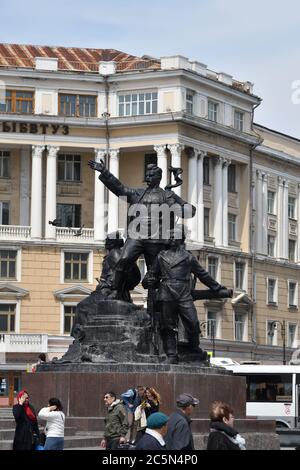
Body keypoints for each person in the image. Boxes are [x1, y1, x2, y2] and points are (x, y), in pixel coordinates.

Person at [88, 160, 196, 296]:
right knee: (123, 259)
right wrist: (104, 172)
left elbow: (190, 211)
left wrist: (176, 204)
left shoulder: (167, 195)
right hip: (137, 236)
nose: (148, 178)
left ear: (158, 178)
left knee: (154, 273)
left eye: (151, 176)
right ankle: (115, 290)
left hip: (156, 238)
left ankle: (155, 303)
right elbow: (119, 188)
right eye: (147, 175)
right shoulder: (138, 193)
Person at [144, 225, 227, 363]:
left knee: (193, 322)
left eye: (174, 236)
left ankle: (193, 348)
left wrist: (216, 287)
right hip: (166, 292)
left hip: (183, 293)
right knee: (167, 325)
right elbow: (151, 275)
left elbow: (203, 274)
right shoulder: (161, 256)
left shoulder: (188, 257)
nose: (171, 239)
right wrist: (149, 280)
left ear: (180, 239)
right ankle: (171, 355)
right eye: (170, 236)